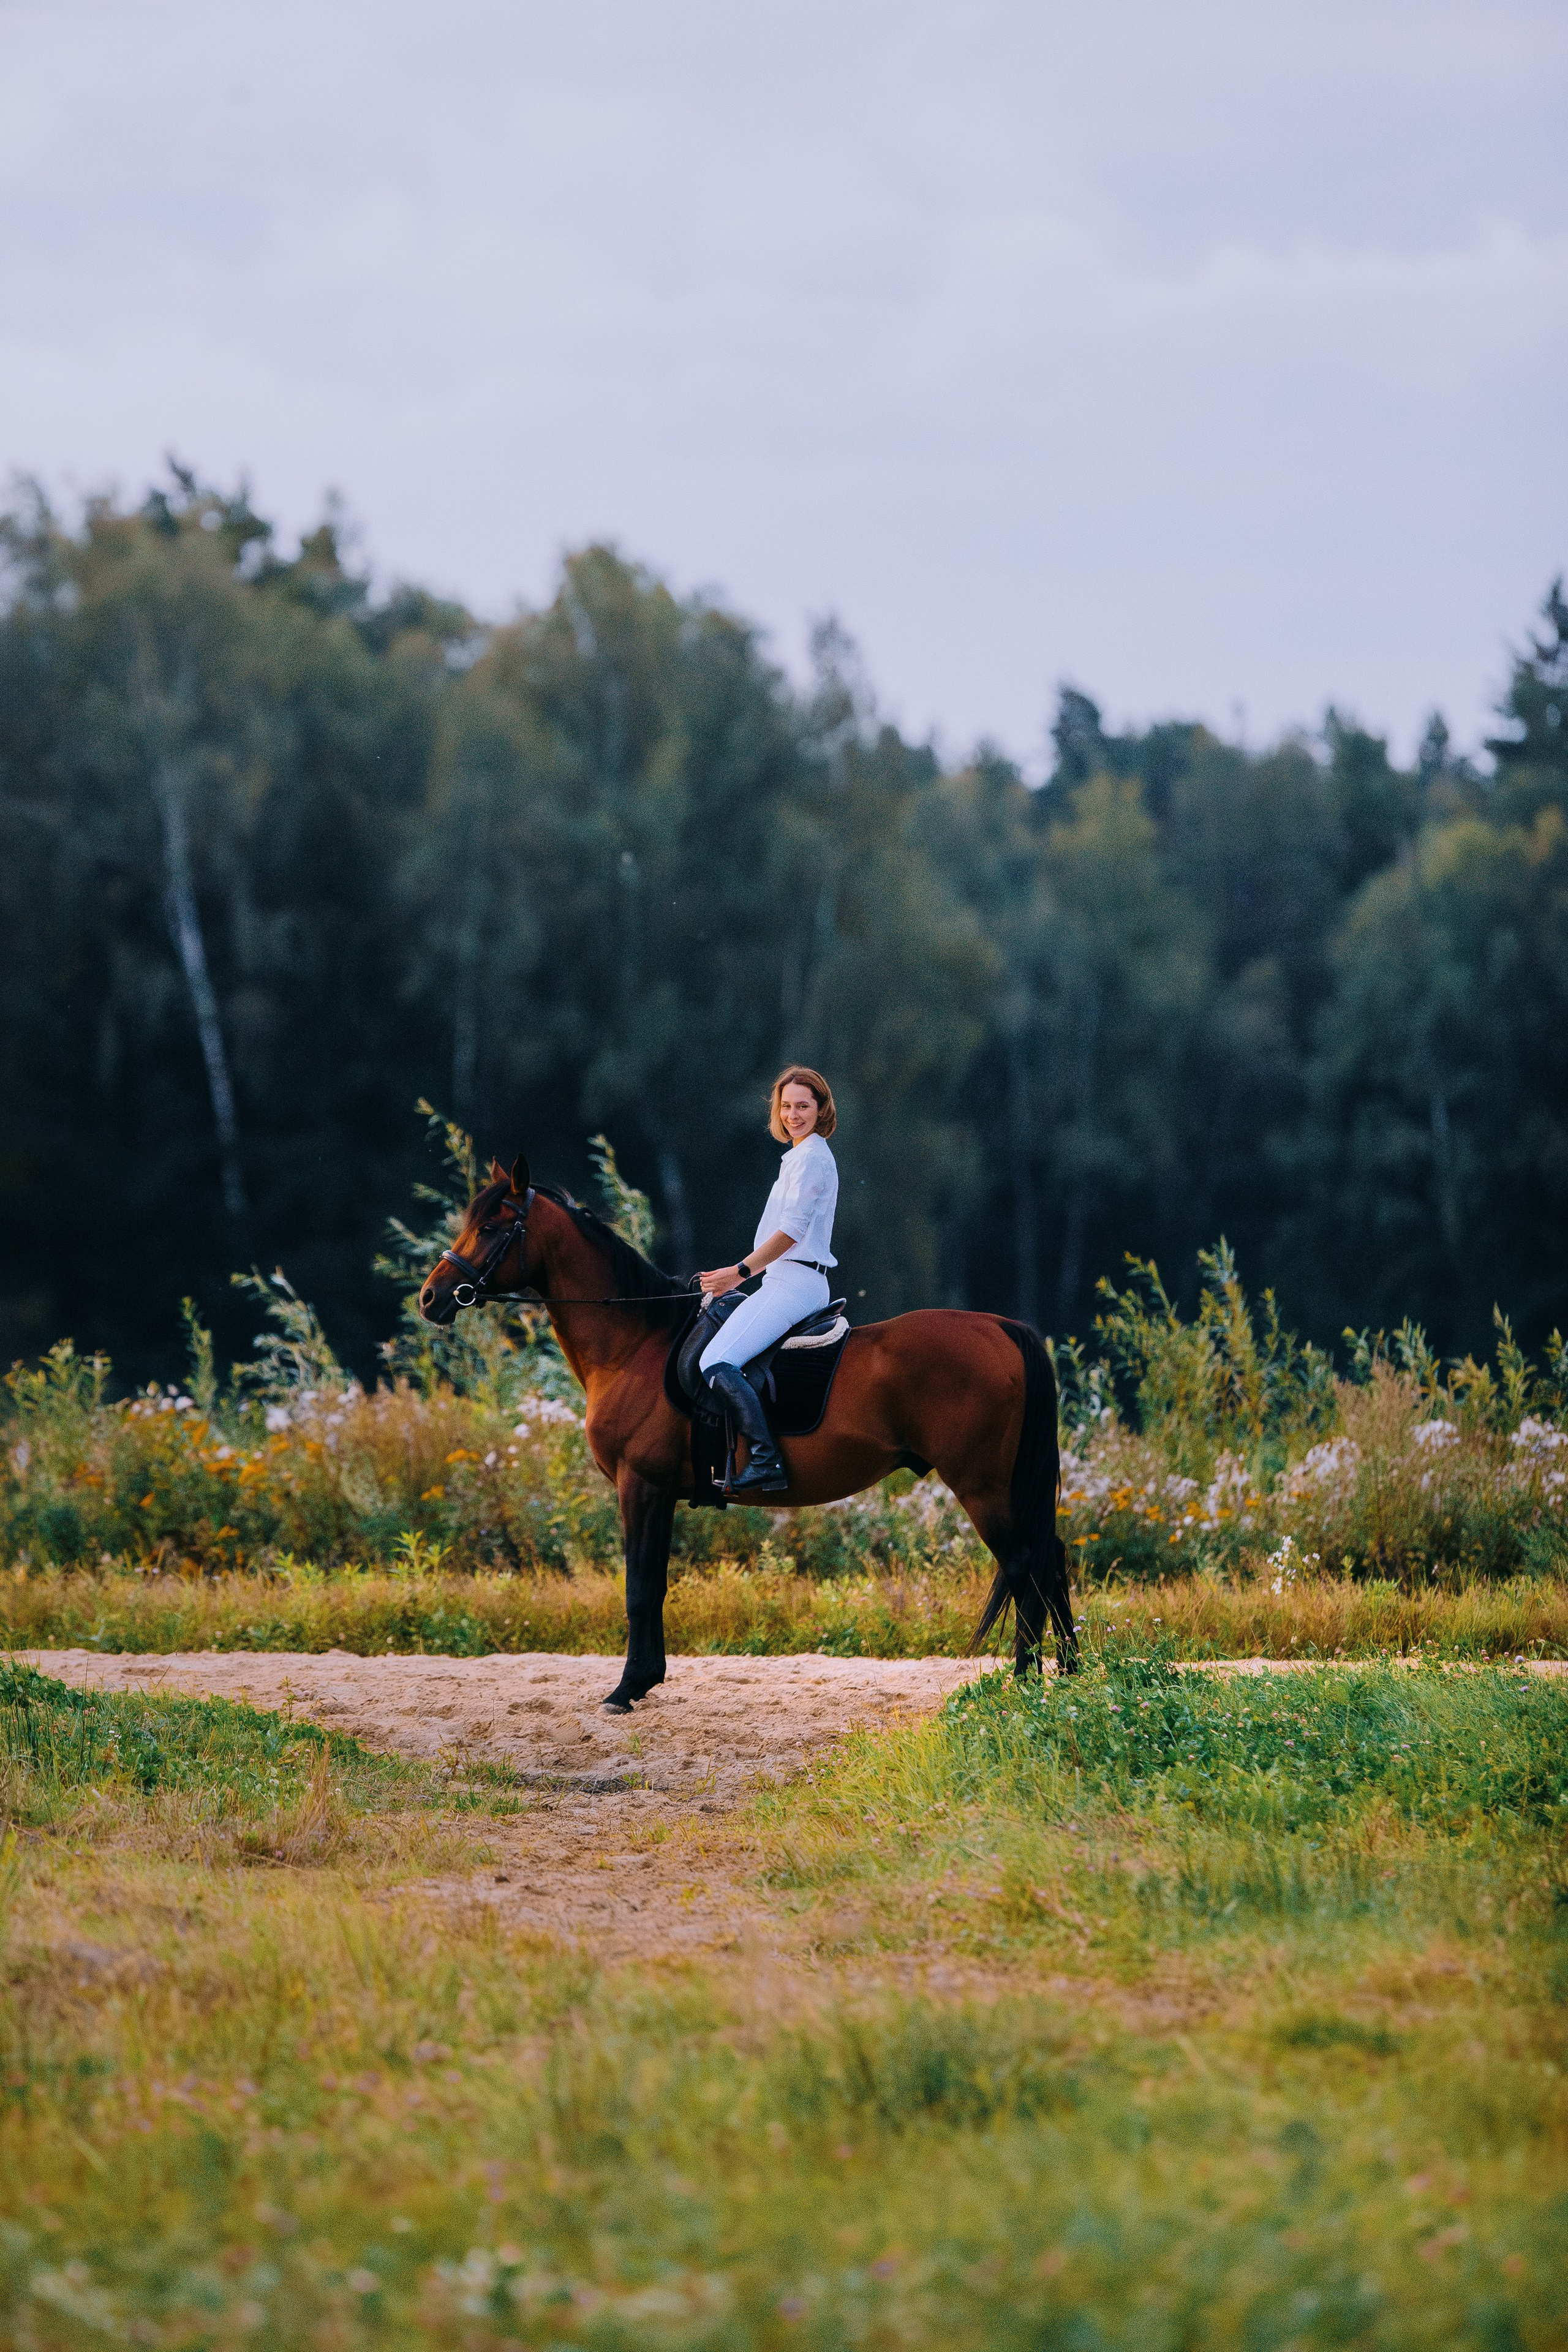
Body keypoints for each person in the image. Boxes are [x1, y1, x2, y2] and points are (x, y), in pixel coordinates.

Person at [696, 1065, 839, 1494]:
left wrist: (738, 1273)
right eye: (787, 1106)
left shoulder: (813, 1157)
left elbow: (793, 1232)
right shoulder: (797, 1156)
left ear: (820, 1110)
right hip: (782, 1279)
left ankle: (765, 1460)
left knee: (714, 1362)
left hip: (795, 1282)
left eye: (803, 1106)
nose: (793, 1114)